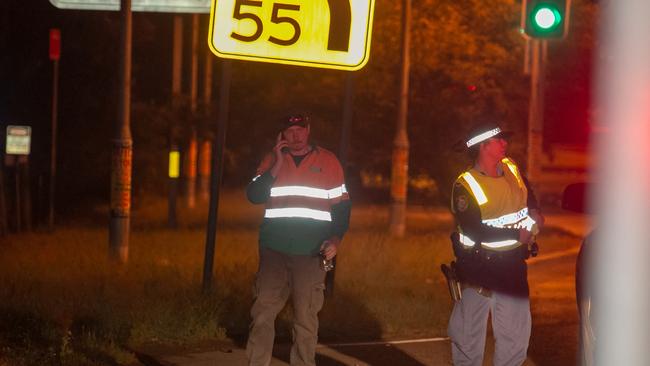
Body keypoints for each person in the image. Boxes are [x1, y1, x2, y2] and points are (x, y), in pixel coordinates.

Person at [245, 113, 351, 366]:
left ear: (308, 130)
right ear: (282, 134)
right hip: (274, 251)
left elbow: (342, 209)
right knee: (262, 314)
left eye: (300, 130)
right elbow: (254, 195)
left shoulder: (328, 161)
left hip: (312, 252)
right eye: (290, 131)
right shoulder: (271, 160)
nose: (296, 136)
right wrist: (277, 165)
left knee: (305, 318)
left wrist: (335, 240)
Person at [447, 122, 544, 366]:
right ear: (483, 147)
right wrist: (516, 237)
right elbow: (475, 230)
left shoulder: (512, 168)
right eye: (499, 140)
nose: (505, 144)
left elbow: (528, 195)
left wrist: (535, 212)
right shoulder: (465, 185)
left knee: (515, 339)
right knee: (467, 339)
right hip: (477, 269)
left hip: (512, 268)